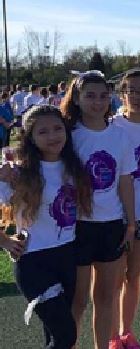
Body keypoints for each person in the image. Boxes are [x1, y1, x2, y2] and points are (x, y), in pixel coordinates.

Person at [0, 105, 92, 349]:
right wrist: (5, 241)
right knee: (66, 336)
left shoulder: (72, 165)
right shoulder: (18, 172)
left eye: (57, 129)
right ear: (30, 137)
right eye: (43, 132)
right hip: (34, 261)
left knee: (53, 335)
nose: (52, 136)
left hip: (67, 255)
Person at [60, 70, 137, 349]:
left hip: (111, 225)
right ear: (77, 99)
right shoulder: (67, 136)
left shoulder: (119, 136)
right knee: (78, 299)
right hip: (76, 226)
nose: (98, 102)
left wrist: (131, 224)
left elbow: (125, 181)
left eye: (103, 96)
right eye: (90, 96)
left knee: (106, 297)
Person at [108, 71, 140, 349]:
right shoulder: (111, 126)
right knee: (111, 282)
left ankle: (127, 332)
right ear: (122, 95)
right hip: (113, 217)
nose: (137, 97)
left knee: (134, 277)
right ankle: (111, 335)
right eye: (131, 91)